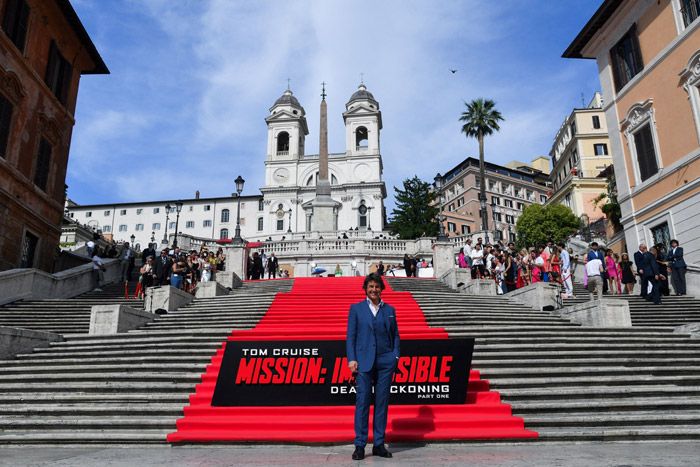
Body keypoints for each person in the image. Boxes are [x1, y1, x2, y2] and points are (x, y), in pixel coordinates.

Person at [346, 274, 399, 460]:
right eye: (370, 286)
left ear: (381, 288)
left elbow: (396, 335)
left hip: (385, 362)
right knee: (362, 403)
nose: (374, 290)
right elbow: (350, 337)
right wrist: (351, 359)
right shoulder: (356, 309)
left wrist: (395, 356)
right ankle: (360, 444)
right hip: (363, 362)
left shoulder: (390, 310)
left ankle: (378, 443)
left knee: (382, 403)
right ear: (365, 289)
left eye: (377, 286)